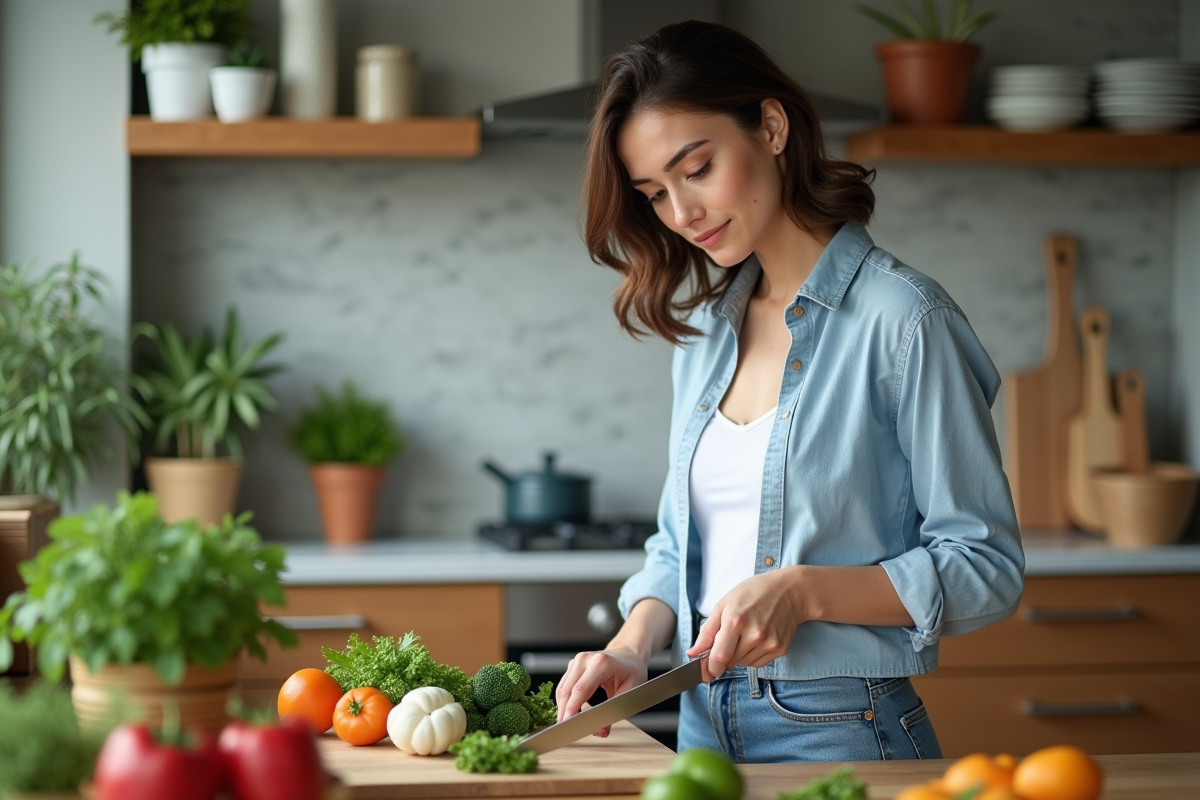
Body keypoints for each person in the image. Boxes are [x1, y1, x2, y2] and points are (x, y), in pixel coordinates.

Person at [554, 20, 1025, 763]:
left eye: (697, 168)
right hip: (704, 721)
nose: (682, 214)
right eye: (654, 194)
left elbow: (985, 567)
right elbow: (680, 548)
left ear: (771, 127)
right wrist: (631, 645)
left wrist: (802, 592)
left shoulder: (904, 321)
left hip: (844, 726)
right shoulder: (708, 334)